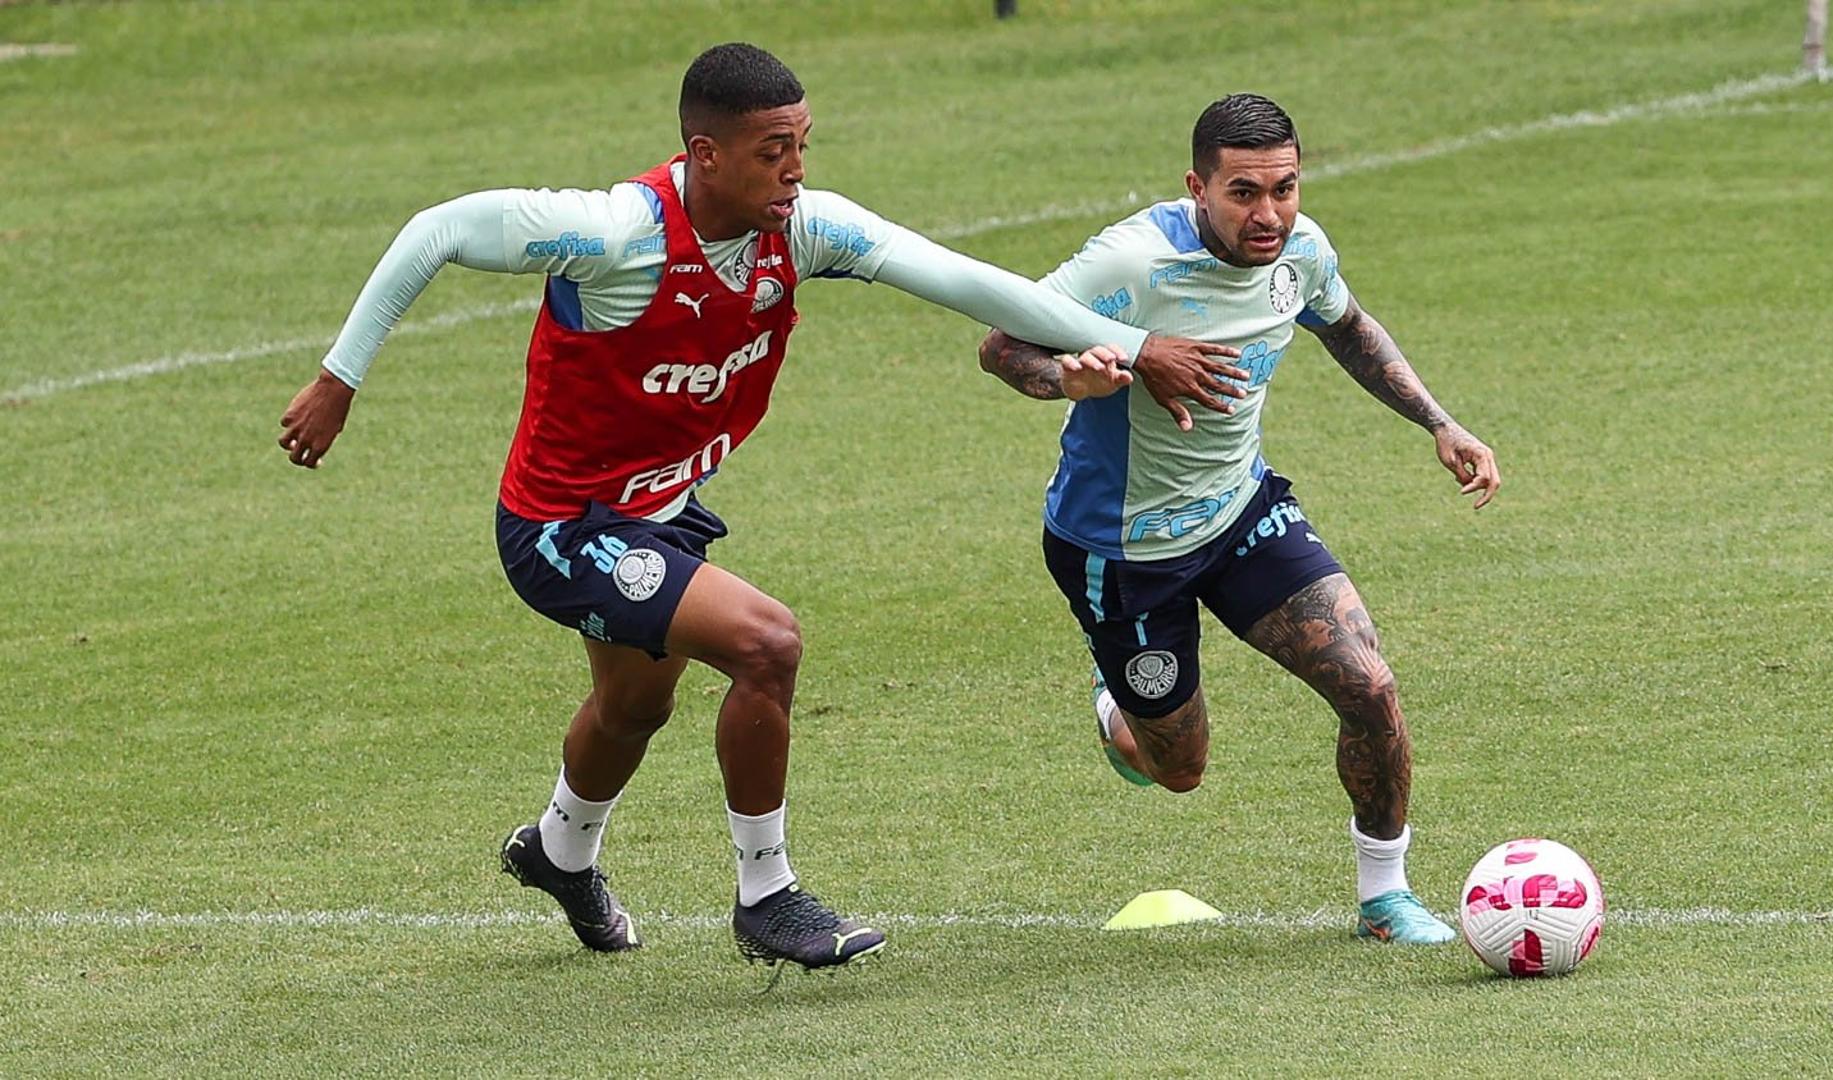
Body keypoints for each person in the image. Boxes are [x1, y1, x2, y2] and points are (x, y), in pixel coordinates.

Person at [276, 43, 1242, 971]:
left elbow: (966, 282)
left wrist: (1133, 342)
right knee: (766, 643)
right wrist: (339, 378)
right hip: (562, 529)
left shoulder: (806, 231)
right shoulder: (614, 235)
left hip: (661, 512)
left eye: (803, 146)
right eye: (771, 152)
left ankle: (558, 854)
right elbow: (440, 228)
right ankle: (766, 896)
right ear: (705, 154)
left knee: (631, 705)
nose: (794, 171)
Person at [978, 93, 1501, 944]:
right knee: (1176, 771)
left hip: (1242, 515)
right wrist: (1072, 379)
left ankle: (1386, 897)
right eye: (1245, 194)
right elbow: (1002, 344)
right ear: (1199, 187)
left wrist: (1440, 422)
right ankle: (1116, 700)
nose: (1270, 215)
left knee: (1368, 686)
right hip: (1124, 551)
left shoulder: (1302, 250)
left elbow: (1349, 327)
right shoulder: (1132, 264)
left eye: (1285, 189)